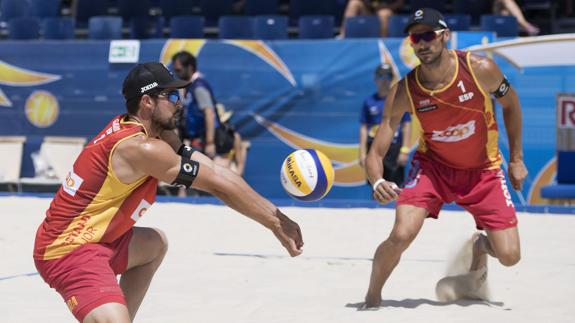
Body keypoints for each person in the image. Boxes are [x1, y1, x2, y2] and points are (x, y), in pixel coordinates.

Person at [33, 62, 303, 322]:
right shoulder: (141, 148)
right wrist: (276, 221)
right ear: (147, 102)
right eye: (171, 94)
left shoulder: (149, 134)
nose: (179, 102)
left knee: (154, 244)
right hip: (69, 249)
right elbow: (217, 184)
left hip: (100, 240)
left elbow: (217, 173)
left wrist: (274, 217)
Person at [364, 8, 528, 308]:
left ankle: (480, 247)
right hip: (433, 169)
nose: (423, 43)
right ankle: (372, 298)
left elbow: (512, 105)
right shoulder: (405, 90)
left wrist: (516, 159)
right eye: (417, 37)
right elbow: (375, 151)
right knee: (401, 234)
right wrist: (376, 181)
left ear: (444, 36)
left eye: (429, 35)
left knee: (510, 256)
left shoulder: (480, 68)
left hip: (483, 170)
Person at [171, 51, 247, 175]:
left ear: (189, 68)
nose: (176, 74)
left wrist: (210, 143)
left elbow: (209, 114)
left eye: (178, 70)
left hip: (208, 139)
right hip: (197, 138)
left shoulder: (199, 87)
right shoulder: (188, 88)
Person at [359, 63, 411, 187]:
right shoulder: (369, 101)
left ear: (391, 79)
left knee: (396, 187)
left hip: (393, 149)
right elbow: (364, 128)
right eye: (381, 77)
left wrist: (404, 150)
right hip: (374, 147)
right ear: (375, 79)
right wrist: (362, 153)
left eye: (387, 77)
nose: (384, 81)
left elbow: (406, 125)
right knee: (377, 185)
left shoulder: (398, 99)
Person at [341, 0, 405, 37]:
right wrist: (373, 5)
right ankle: (343, 35)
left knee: (383, 13)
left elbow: (400, 3)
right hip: (370, 10)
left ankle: (382, 41)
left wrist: (384, 7)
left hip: (388, 11)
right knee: (353, 3)